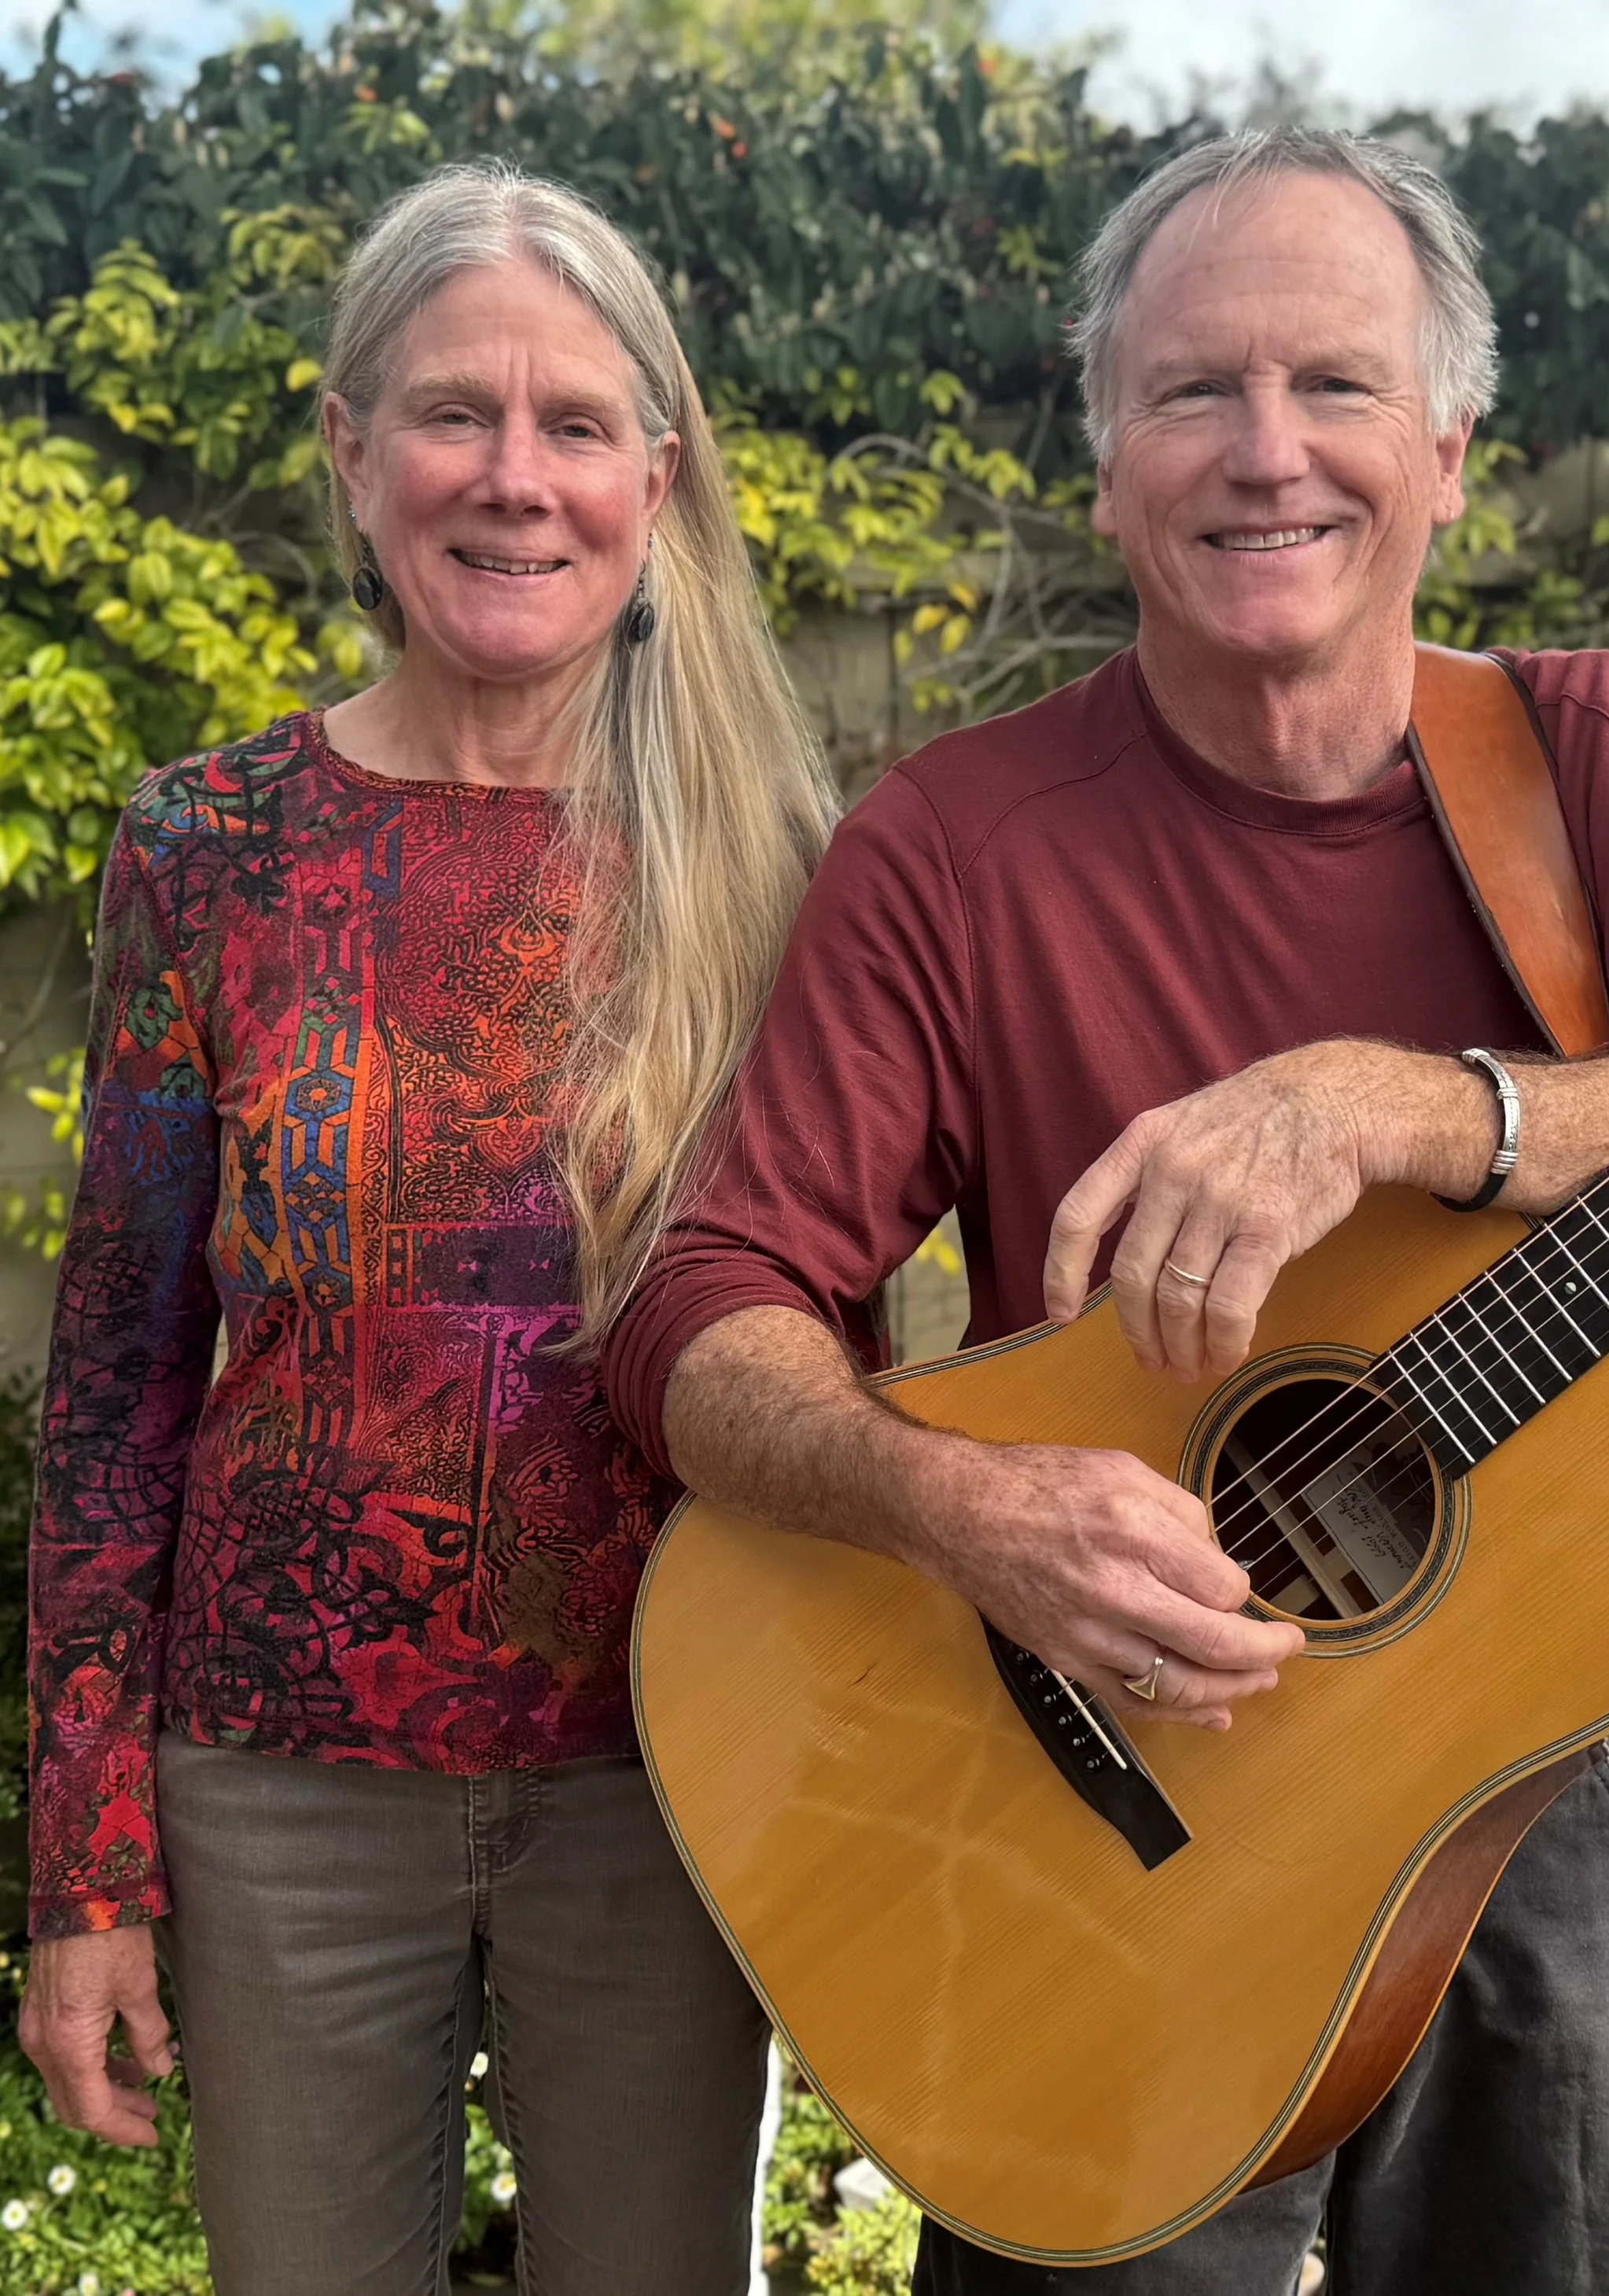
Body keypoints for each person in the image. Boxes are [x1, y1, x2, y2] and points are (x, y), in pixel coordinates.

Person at [600, 128, 1609, 2296]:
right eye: (1190, 392)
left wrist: (1406, 1108)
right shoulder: (956, 845)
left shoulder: (1606, 757)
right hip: (1116, 1779)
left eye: (1330, 384)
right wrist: (962, 1513)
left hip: (1566, 1762)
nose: (1263, 453)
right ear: (1106, 460)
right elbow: (702, 1306)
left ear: (1448, 451)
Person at [21, 161, 833, 2293]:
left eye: (576, 423)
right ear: (349, 447)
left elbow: (850, 1353)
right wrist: (84, 1862)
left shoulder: (773, 866)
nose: (513, 475)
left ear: (657, 476)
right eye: (453, 411)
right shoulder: (207, 845)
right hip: (282, 1791)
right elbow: (111, 1383)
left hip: (672, 1766)